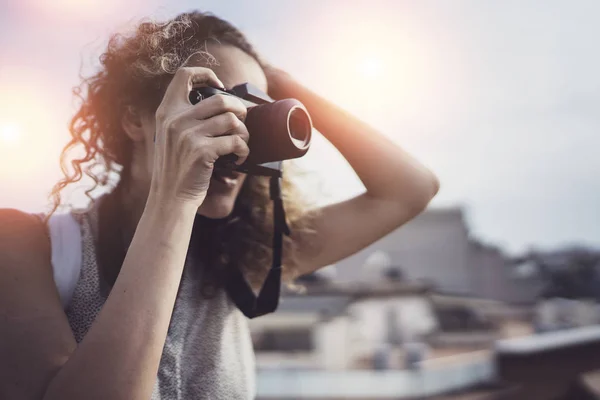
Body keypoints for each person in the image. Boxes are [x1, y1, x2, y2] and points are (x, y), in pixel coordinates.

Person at [0, 11, 439, 400]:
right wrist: (175, 199)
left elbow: (409, 190)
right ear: (134, 118)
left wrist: (277, 83)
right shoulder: (26, 246)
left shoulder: (238, 259)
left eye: (251, 114)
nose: (237, 137)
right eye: (214, 106)